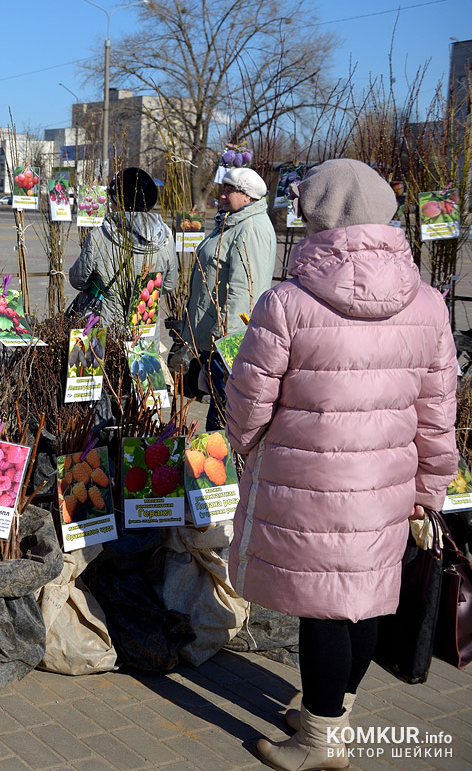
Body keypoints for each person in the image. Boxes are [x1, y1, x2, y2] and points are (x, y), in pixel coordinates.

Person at [224, 159, 457, 771]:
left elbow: (249, 399)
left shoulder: (286, 301)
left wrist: (243, 443)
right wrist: (431, 486)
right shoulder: (430, 305)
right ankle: (333, 713)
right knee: (365, 596)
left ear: (318, 218)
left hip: (309, 485)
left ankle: (319, 743)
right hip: (387, 485)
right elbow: (439, 411)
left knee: (323, 604)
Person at [183, 166, 276, 430]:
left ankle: (223, 470)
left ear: (247, 196)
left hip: (227, 343)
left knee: (222, 418)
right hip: (215, 338)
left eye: (229, 190)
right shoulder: (232, 222)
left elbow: (244, 291)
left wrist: (224, 340)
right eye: (223, 189)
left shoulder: (252, 229)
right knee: (218, 409)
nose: (222, 195)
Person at [67, 167, 178, 334]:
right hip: (142, 330)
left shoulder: (100, 236)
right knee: (140, 359)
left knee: (103, 359)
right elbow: (169, 284)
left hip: (104, 330)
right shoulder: (166, 239)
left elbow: (78, 280)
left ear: (119, 201)